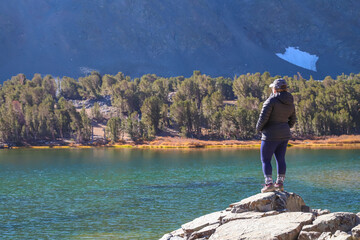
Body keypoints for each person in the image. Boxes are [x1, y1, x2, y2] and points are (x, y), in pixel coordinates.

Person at [256, 78, 296, 193]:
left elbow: (262, 118)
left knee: (265, 159)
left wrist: (258, 129)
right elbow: (293, 120)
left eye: (273, 87)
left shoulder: (270, 101)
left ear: (276, 89)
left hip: (270, 135)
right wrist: (285, 127)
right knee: (280, 159)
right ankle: (280, 184)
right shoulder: (290, 101)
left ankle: (269, 184)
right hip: (284, 135)